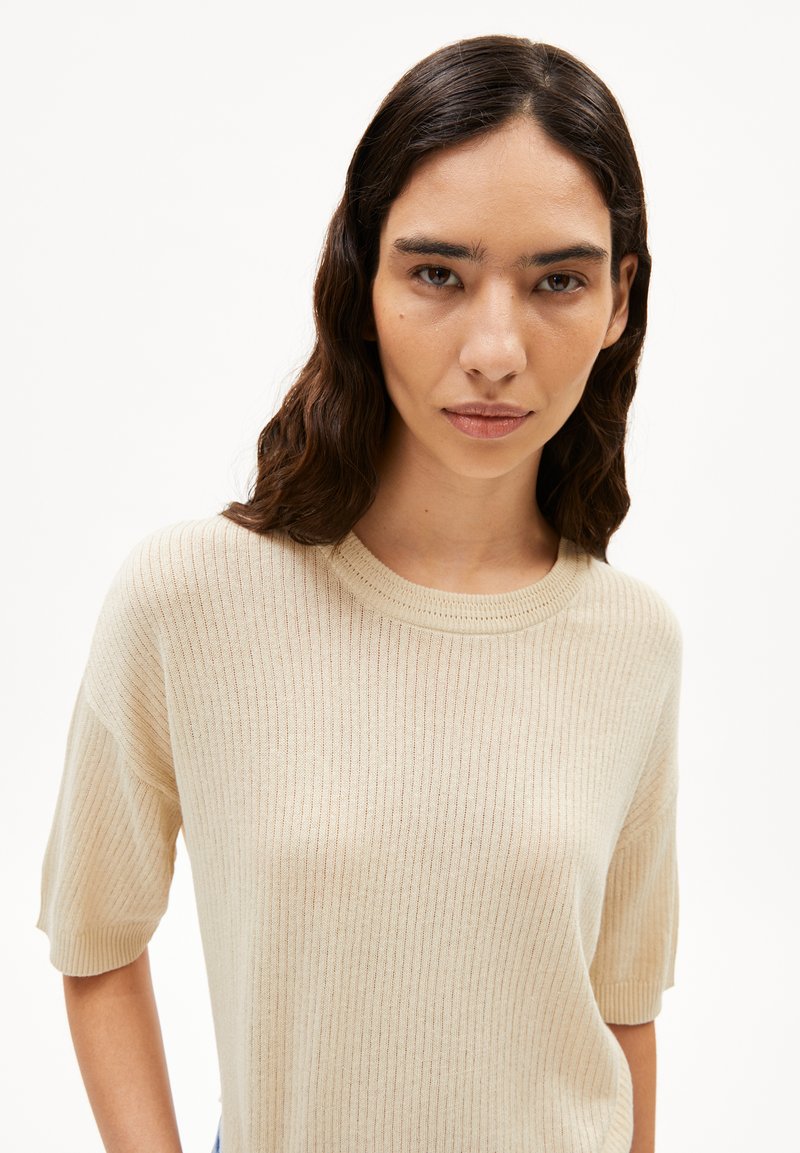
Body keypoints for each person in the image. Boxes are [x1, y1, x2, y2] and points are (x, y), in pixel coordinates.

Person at [36, 34, 682, 1153]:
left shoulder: (634, 641)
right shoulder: (189, 600)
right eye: (437, 273)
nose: (495, 348)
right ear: (361, 279)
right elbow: (95, 944)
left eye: (557, 281)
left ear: (619, 298)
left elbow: (621, 1014)